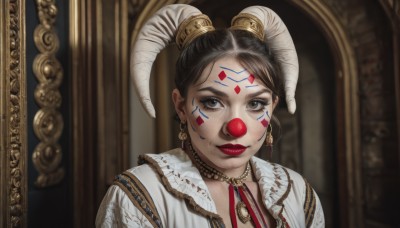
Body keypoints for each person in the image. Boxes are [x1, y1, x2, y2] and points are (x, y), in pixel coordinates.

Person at [96, 4, 324, 228]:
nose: (236, 128)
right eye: (212, 102)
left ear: (273, 106)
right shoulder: (140, 197)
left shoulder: (297, 193)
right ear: (181, 106)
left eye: (255, 103)